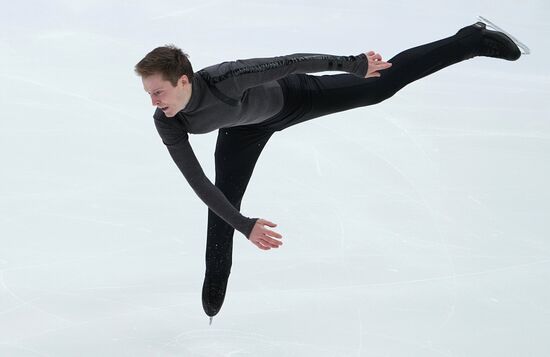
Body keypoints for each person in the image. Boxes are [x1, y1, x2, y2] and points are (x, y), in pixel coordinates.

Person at [134, 20, 522, 318]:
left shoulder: (226, 78)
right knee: (223, 206)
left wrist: (352, 65)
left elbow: (290, 62)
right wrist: (245, 224)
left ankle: (471, 39)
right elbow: (198, 181)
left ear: (183, 80)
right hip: (241, 133)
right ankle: (215, 284)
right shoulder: (168, 121)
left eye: (158, 91)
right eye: (149, 93)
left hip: (293, 97)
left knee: (378, 88)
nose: (153, 101)